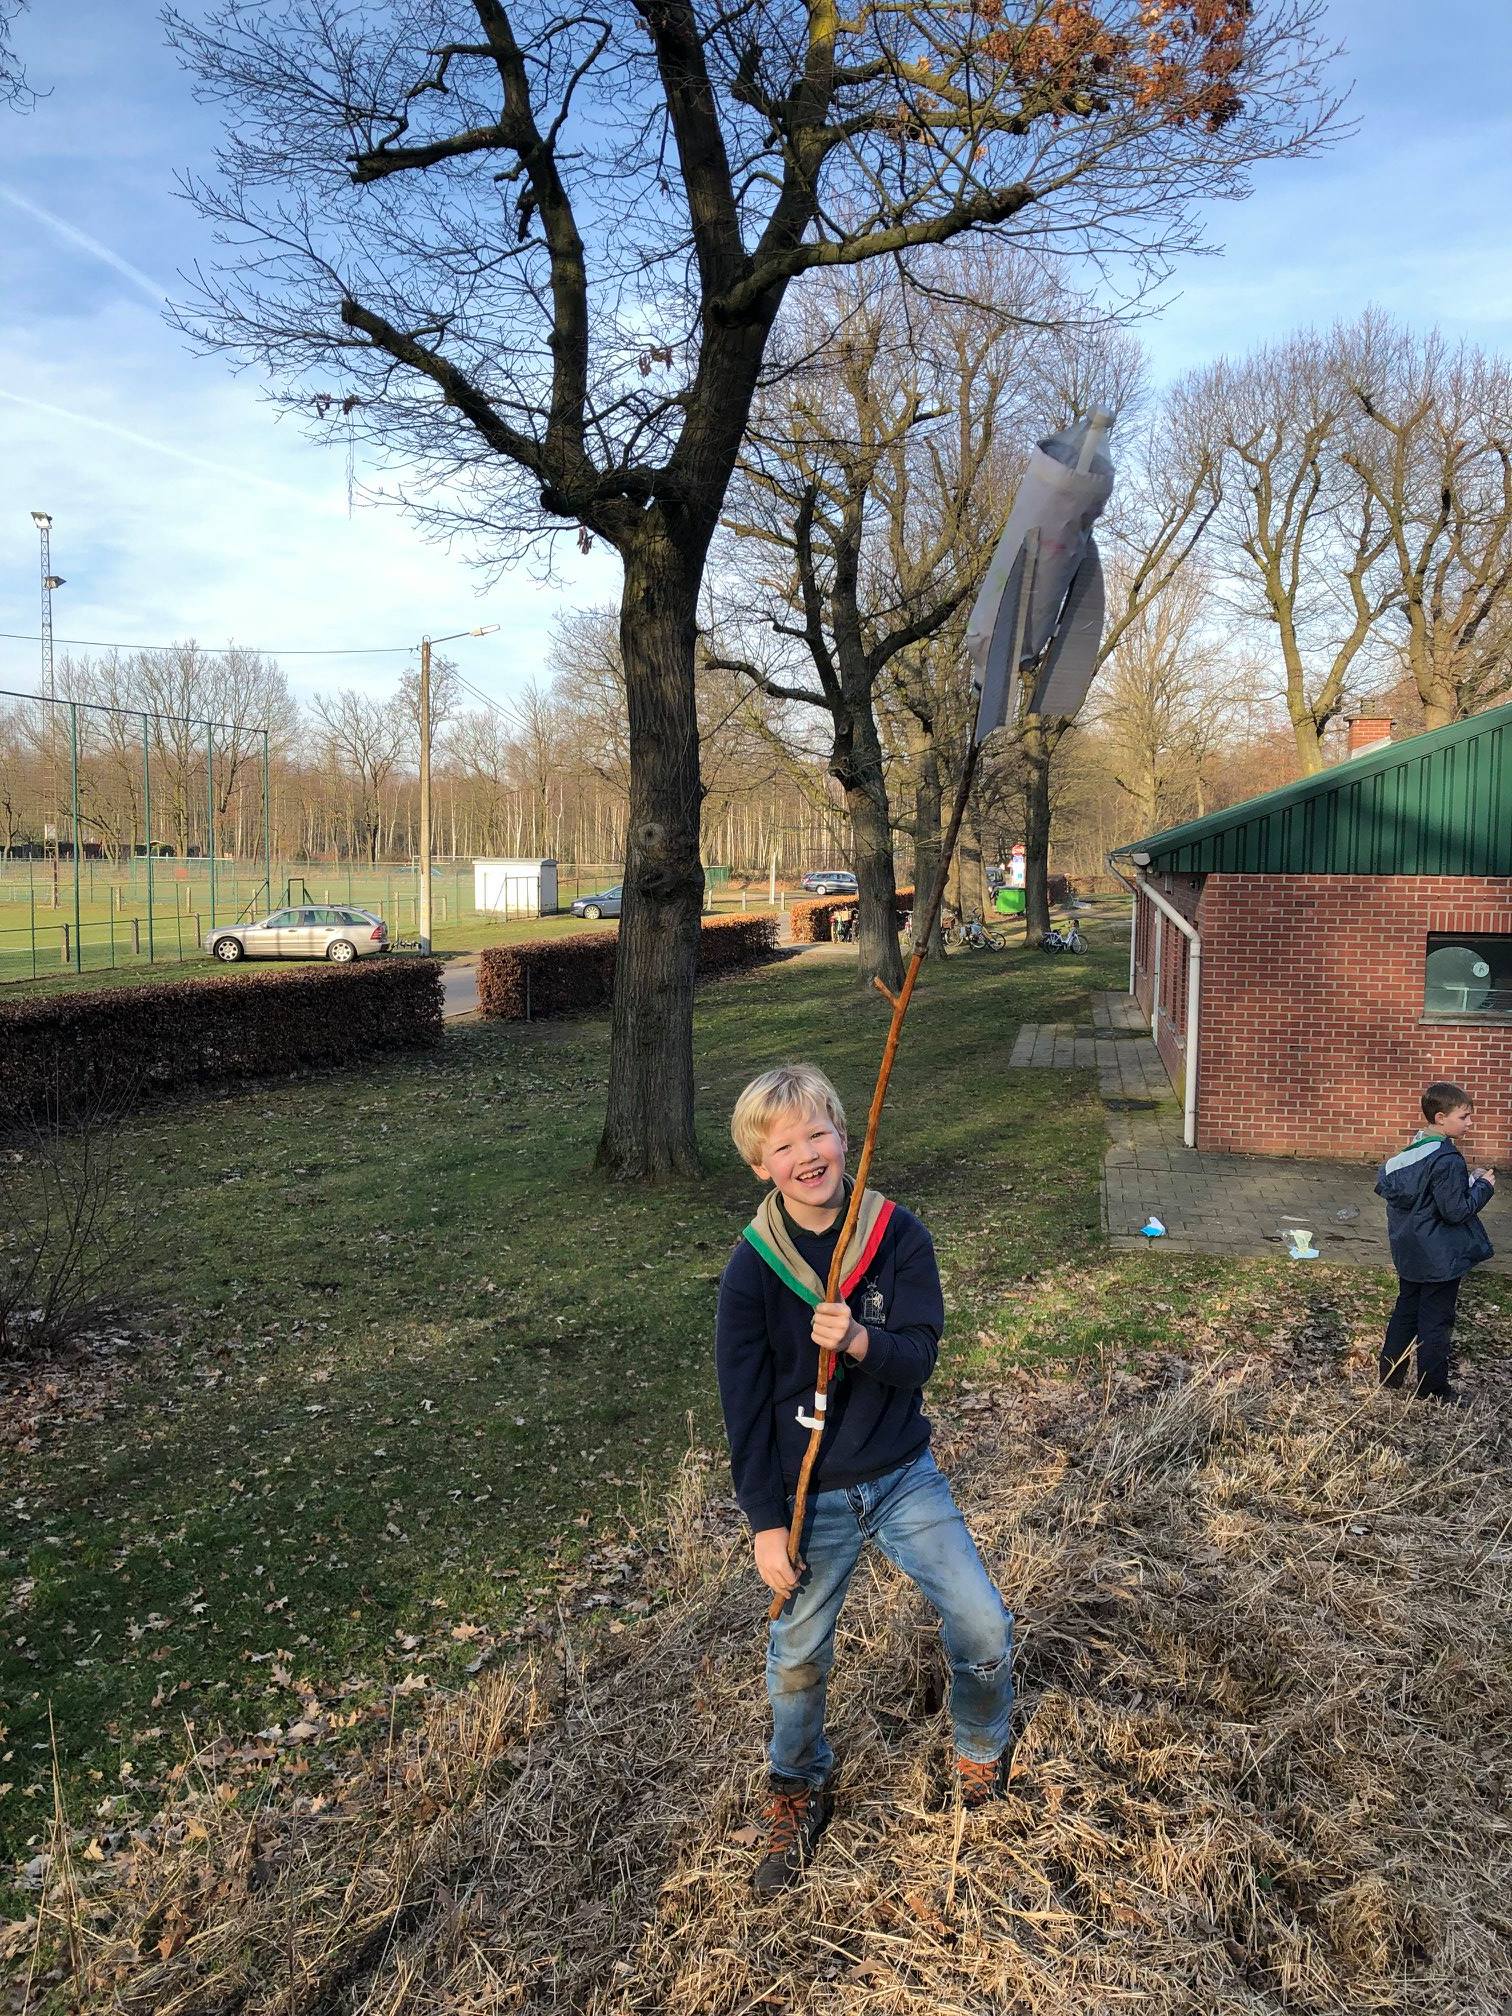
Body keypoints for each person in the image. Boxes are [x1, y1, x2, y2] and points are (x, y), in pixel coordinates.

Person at [716, 1063, 1013, 1897]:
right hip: (812, 1496)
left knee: (984, 1625)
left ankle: (982, 1749)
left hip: (901, 1474)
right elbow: (742, 1405)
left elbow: (918, 1355)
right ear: (761, 1166)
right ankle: (798, 1783)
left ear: (846, 1135)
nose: (807, 1155)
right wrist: (765, 1522)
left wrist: (859, 1344)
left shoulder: (894, 1234)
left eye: (819, 1134)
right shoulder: (753, 1269)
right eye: (785, 1147)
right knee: (798, 1654)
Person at [1374, 1081, 1497, 1403]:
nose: (1470, 1123)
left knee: (1405, 1312)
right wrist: (1483, 1187)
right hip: (1439, 1256)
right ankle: (1433, 1388)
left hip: (1410, 1250)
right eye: (1465, 1117)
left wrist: (1465, 1183)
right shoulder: (1448, 1159)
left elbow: (1424, 1195)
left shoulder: (1411, 1152)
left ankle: (1389, 1377)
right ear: (1441, 1117)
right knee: (1435, 1322)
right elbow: (1456, 1211)